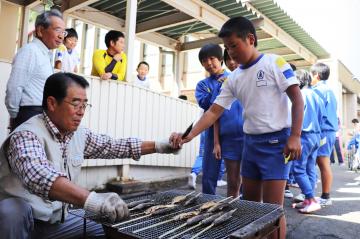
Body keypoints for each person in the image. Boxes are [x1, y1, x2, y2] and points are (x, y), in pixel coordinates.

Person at [0, 72, 180, 239]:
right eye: (76, 104)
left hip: (55, 223)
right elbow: (39, 175)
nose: (81, 111)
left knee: (111, 226)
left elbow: (114, 146)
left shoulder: (78, 135)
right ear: (52, 103)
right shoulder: (25, 134)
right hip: (25, 224)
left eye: (85, 105)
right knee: (12, 211)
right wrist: (94, 200)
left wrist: (159, 146)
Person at [171, 16, 303, 239]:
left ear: (250, 39)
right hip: (249, 146)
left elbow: (297, 100)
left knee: (273, 209)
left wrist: (295, 135)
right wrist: (188, 136)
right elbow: (213, 112)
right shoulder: (233, 79)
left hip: (276, 145)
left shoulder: (274, 62)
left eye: (234, 45)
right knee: (251, 208)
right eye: (227, 47)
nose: (230, 52)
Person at [194, 43, 243, 197]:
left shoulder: (235, 77)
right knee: (209, 171)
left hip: (237, 131)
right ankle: (207, 202)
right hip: (212, 132)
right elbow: (208, 106)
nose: (209, 63)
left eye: (212, 58)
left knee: (239, 175)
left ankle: (242, 203)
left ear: (221, 59)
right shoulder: (202, 84)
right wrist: (217, 89)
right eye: (204, 61)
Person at [5, 9, 66, 131]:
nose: (61, 36)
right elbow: (14, 86)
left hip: (41, 114)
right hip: (28, 114)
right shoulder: (30, 51)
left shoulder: (45, 54)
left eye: (63, 32)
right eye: (57, 30)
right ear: (40, 30)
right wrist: (15, 116)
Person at [291, 70, 325, 213]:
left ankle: (310, 199)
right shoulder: (317, 96)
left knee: (298, 169)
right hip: (316, 136)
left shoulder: (300, 95)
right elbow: (322, 117)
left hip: (304, 135)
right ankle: (308, 199)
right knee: (310, 169)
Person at [310, 62, 338, 206]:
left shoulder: (319, 90)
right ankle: (318, 195)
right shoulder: (329, 90)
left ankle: (326, 197)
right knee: (320, 162)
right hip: (329, 131)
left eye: (311, 75)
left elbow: (319, 114)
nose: (310, 78)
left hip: (324, 131)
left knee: (322, 162)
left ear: (317, 75)